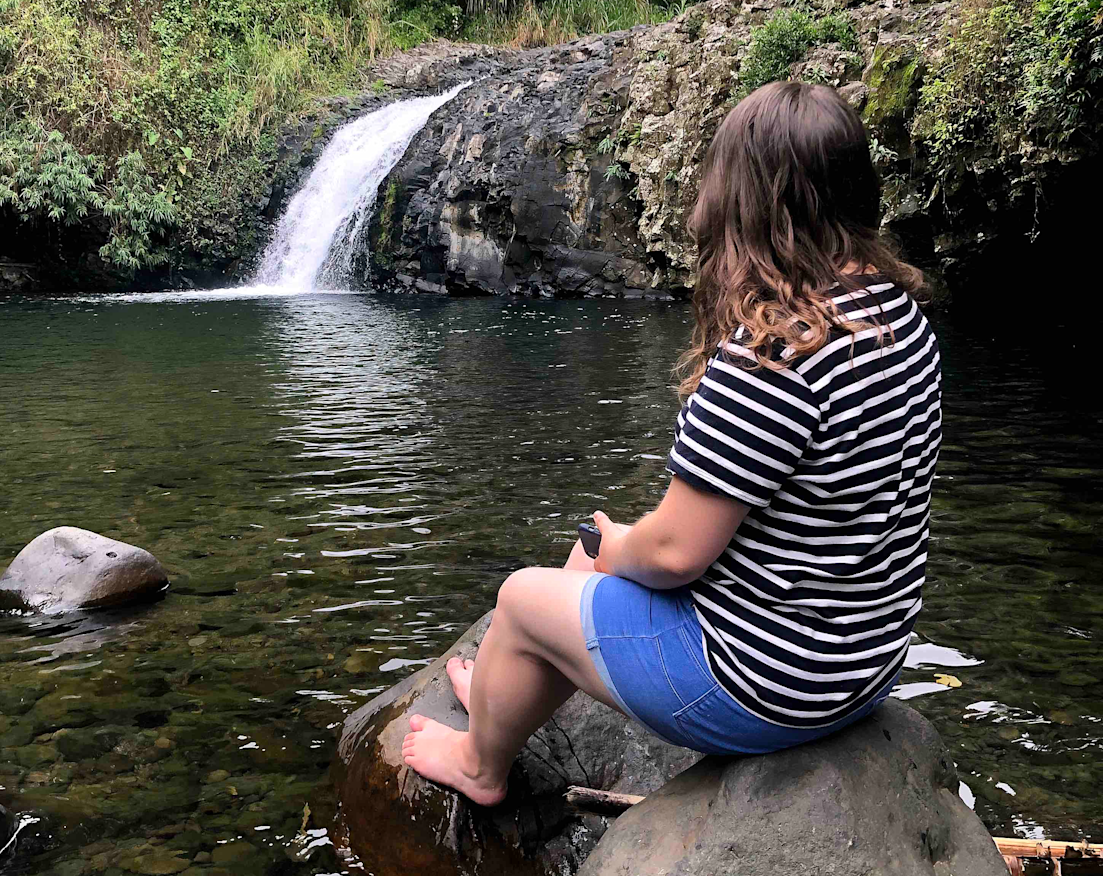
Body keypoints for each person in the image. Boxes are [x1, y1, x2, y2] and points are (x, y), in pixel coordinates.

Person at [402, 81, 942, 805]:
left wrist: (621, 547)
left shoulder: (774, 355)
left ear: (743, 203)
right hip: (859, 661)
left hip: (769, 686)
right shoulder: (893, 316)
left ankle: (480, 764)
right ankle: (509, 691)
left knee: (528, 593)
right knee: (583, 557)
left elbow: (675, 555)